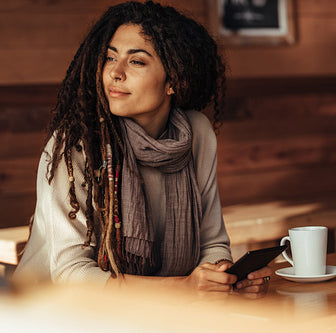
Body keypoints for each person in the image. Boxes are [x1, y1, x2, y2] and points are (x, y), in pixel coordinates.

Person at [14, 1, 272, 295]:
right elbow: (71, 274)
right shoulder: (75, 143)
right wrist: (184, 288)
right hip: (52, 311)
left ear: (174, 79)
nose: (115, 73)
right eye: (110, 58)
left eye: (136, 61)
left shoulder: (196, 134)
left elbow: (212, 243)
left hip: (154, 312)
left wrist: (226, 278)